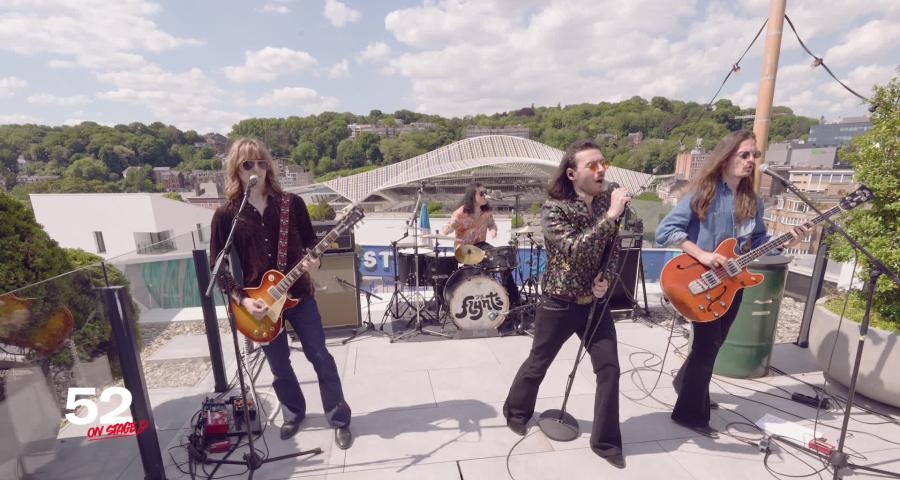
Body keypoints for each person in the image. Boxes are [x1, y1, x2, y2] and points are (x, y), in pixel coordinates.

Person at [655, 130, 810, 437]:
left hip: (732, 283)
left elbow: (760, 240)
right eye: (745, 154)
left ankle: (684, 384)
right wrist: (704, 254)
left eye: (755, 155)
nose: (751, 160)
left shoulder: (751, 200)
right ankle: (688, 414)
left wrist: (787, 239)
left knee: (714, 344)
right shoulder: (702, 192)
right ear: (726, 157)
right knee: (707, 348)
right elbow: (666, 230)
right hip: (701, 281)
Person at [209, 137, 353, 450]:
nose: (257, 169)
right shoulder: (226, 215)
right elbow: (218, 268)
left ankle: (339, 417)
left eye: (262, 162)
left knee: (321, 356)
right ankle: (294, 412)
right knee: (279, 366)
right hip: (258, 305)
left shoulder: (291, 204)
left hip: (298, 294)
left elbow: (311, 246)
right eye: (249, 164)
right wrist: (243, 300)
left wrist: (315, 261)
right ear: (236, 170)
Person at [503, 140, 631, 469]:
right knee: (538, 363)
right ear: (573, 173)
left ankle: (605, 442)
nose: (602, 169)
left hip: (595, 304)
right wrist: (612, 215)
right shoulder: (554, 208)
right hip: (559, 303)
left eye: (603, 163)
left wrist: (606, 278)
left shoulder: (607, 203)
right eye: (593, 165)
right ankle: (516, 411)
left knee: (610, 370)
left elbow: (614, 248)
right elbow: (575, 249)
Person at [440, 182, 523, 310]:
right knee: (478, 270)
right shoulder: (461, 212)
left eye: (485, 193)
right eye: (482, 193)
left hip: (481, 246)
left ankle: (513, 298)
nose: (485, 195)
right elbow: (451, 224)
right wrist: (446, 229)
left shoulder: (486, 212)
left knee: (503, 261)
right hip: (465, 248)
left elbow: (491, 224)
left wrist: (493, 230)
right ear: (472, 196)